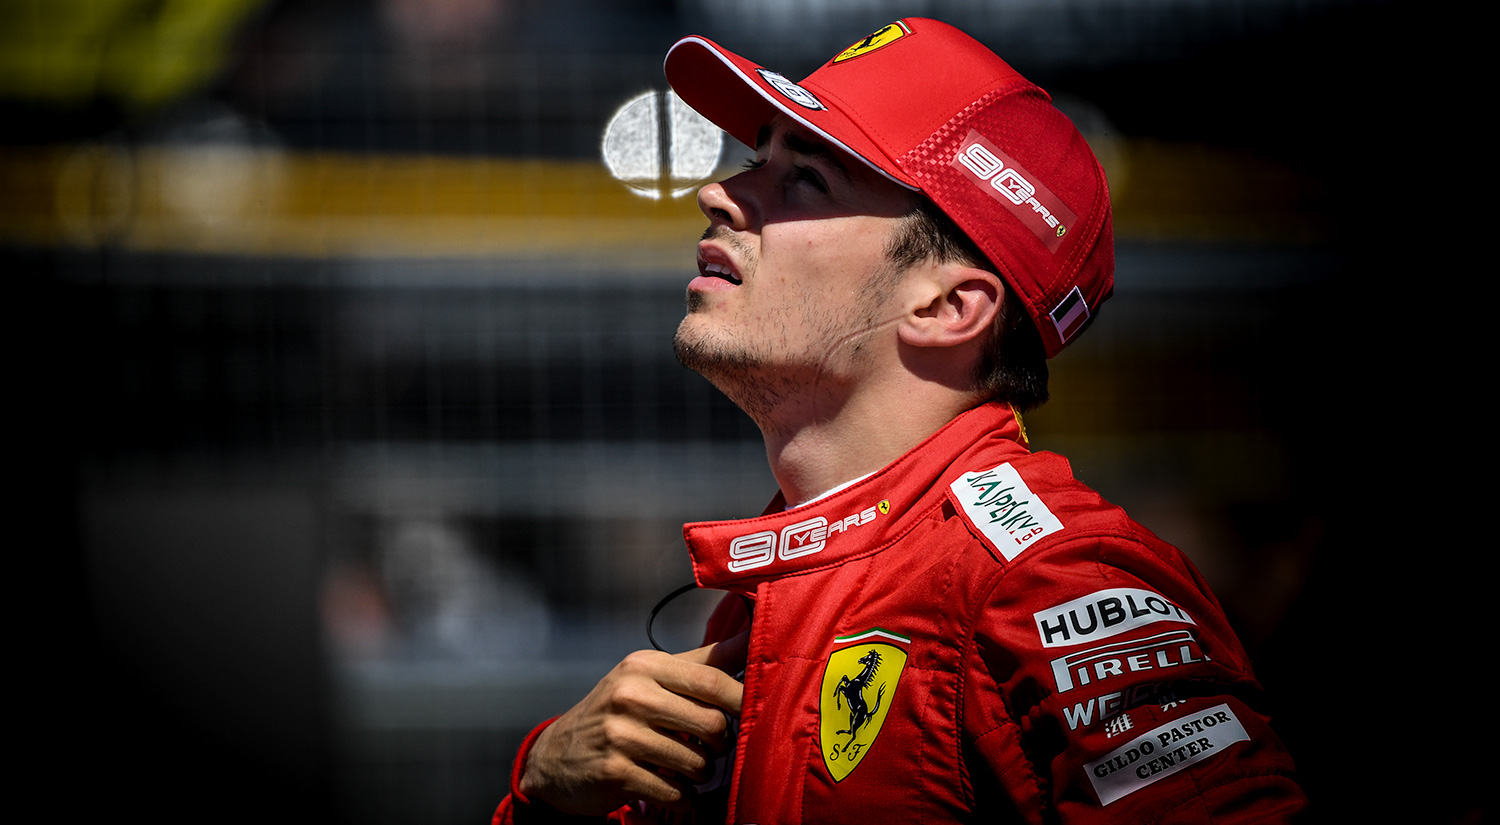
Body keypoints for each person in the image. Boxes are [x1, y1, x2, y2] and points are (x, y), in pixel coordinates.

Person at [494, 17, 1306, 824]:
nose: (718, 192)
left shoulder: (1049, 579)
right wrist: (541, 790)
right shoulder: (776, 594)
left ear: (950, 306)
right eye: (756, 160)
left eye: (805, 178)